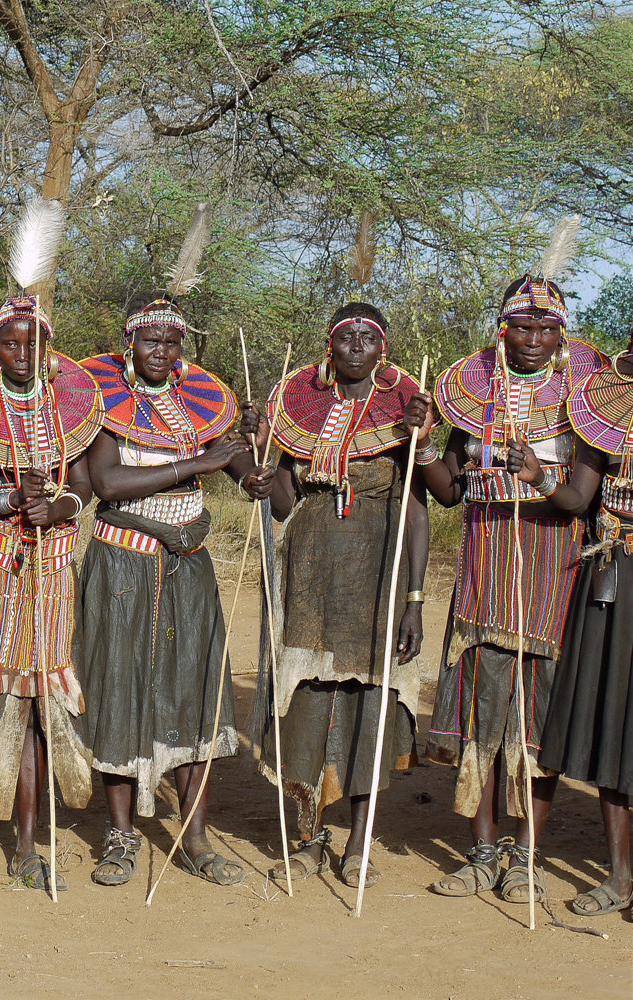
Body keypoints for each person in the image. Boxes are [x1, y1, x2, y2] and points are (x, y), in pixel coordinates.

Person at [406, 272, 605, 902]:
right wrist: (424, 444)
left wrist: (535, 473)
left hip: (553, 568)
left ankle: (528, 855)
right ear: (503, 328)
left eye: (547, 328)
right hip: (484, 567)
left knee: (537, 716)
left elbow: (579, 499)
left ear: (561, 332)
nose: (534, 339)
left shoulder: (584, 399)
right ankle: (482, 849)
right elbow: (448, 491)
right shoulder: (471, 393)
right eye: (523, 327)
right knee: (480, 711)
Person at [73, 295, 263, 889]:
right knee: (120, 687)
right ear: (128, 343)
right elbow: (107, 481)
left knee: (195, 689)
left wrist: (255, 455)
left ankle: (195, 836)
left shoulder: (205, 402)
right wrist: (196, 467)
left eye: (172, 342)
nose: (161, 352)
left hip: (191, 565)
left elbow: (248, 476)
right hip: (123, 566)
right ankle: (122, 835)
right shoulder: (99, 398)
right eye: (150, 341)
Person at [254, 303, 428, 888]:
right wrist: (264, 454)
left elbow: (419, 512)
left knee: (370, 702)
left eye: (368, 338)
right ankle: (306, 837)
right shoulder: (296, 408)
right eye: (345, 337)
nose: (357, 346)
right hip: (309, 570)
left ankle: (358, 842)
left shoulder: (405, 412)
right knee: (306, 700)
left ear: (383, 349)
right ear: (329, 347)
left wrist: (415, 599)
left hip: (378, 572)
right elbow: (282, 504)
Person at [0, 296, 99, 893]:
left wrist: (56, 505)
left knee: (39, 710)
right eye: (9, 343)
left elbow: (82, 487)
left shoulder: (72, 410)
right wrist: (12, 501)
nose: (22, 354)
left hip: (55, 572)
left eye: (33, 343)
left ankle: (29, 843)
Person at [526, 339, 633, 917]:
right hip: (613, 575)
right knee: (612, 719)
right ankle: (619, 878)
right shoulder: (605, 406)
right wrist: (540, 478)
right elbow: (578, 497)